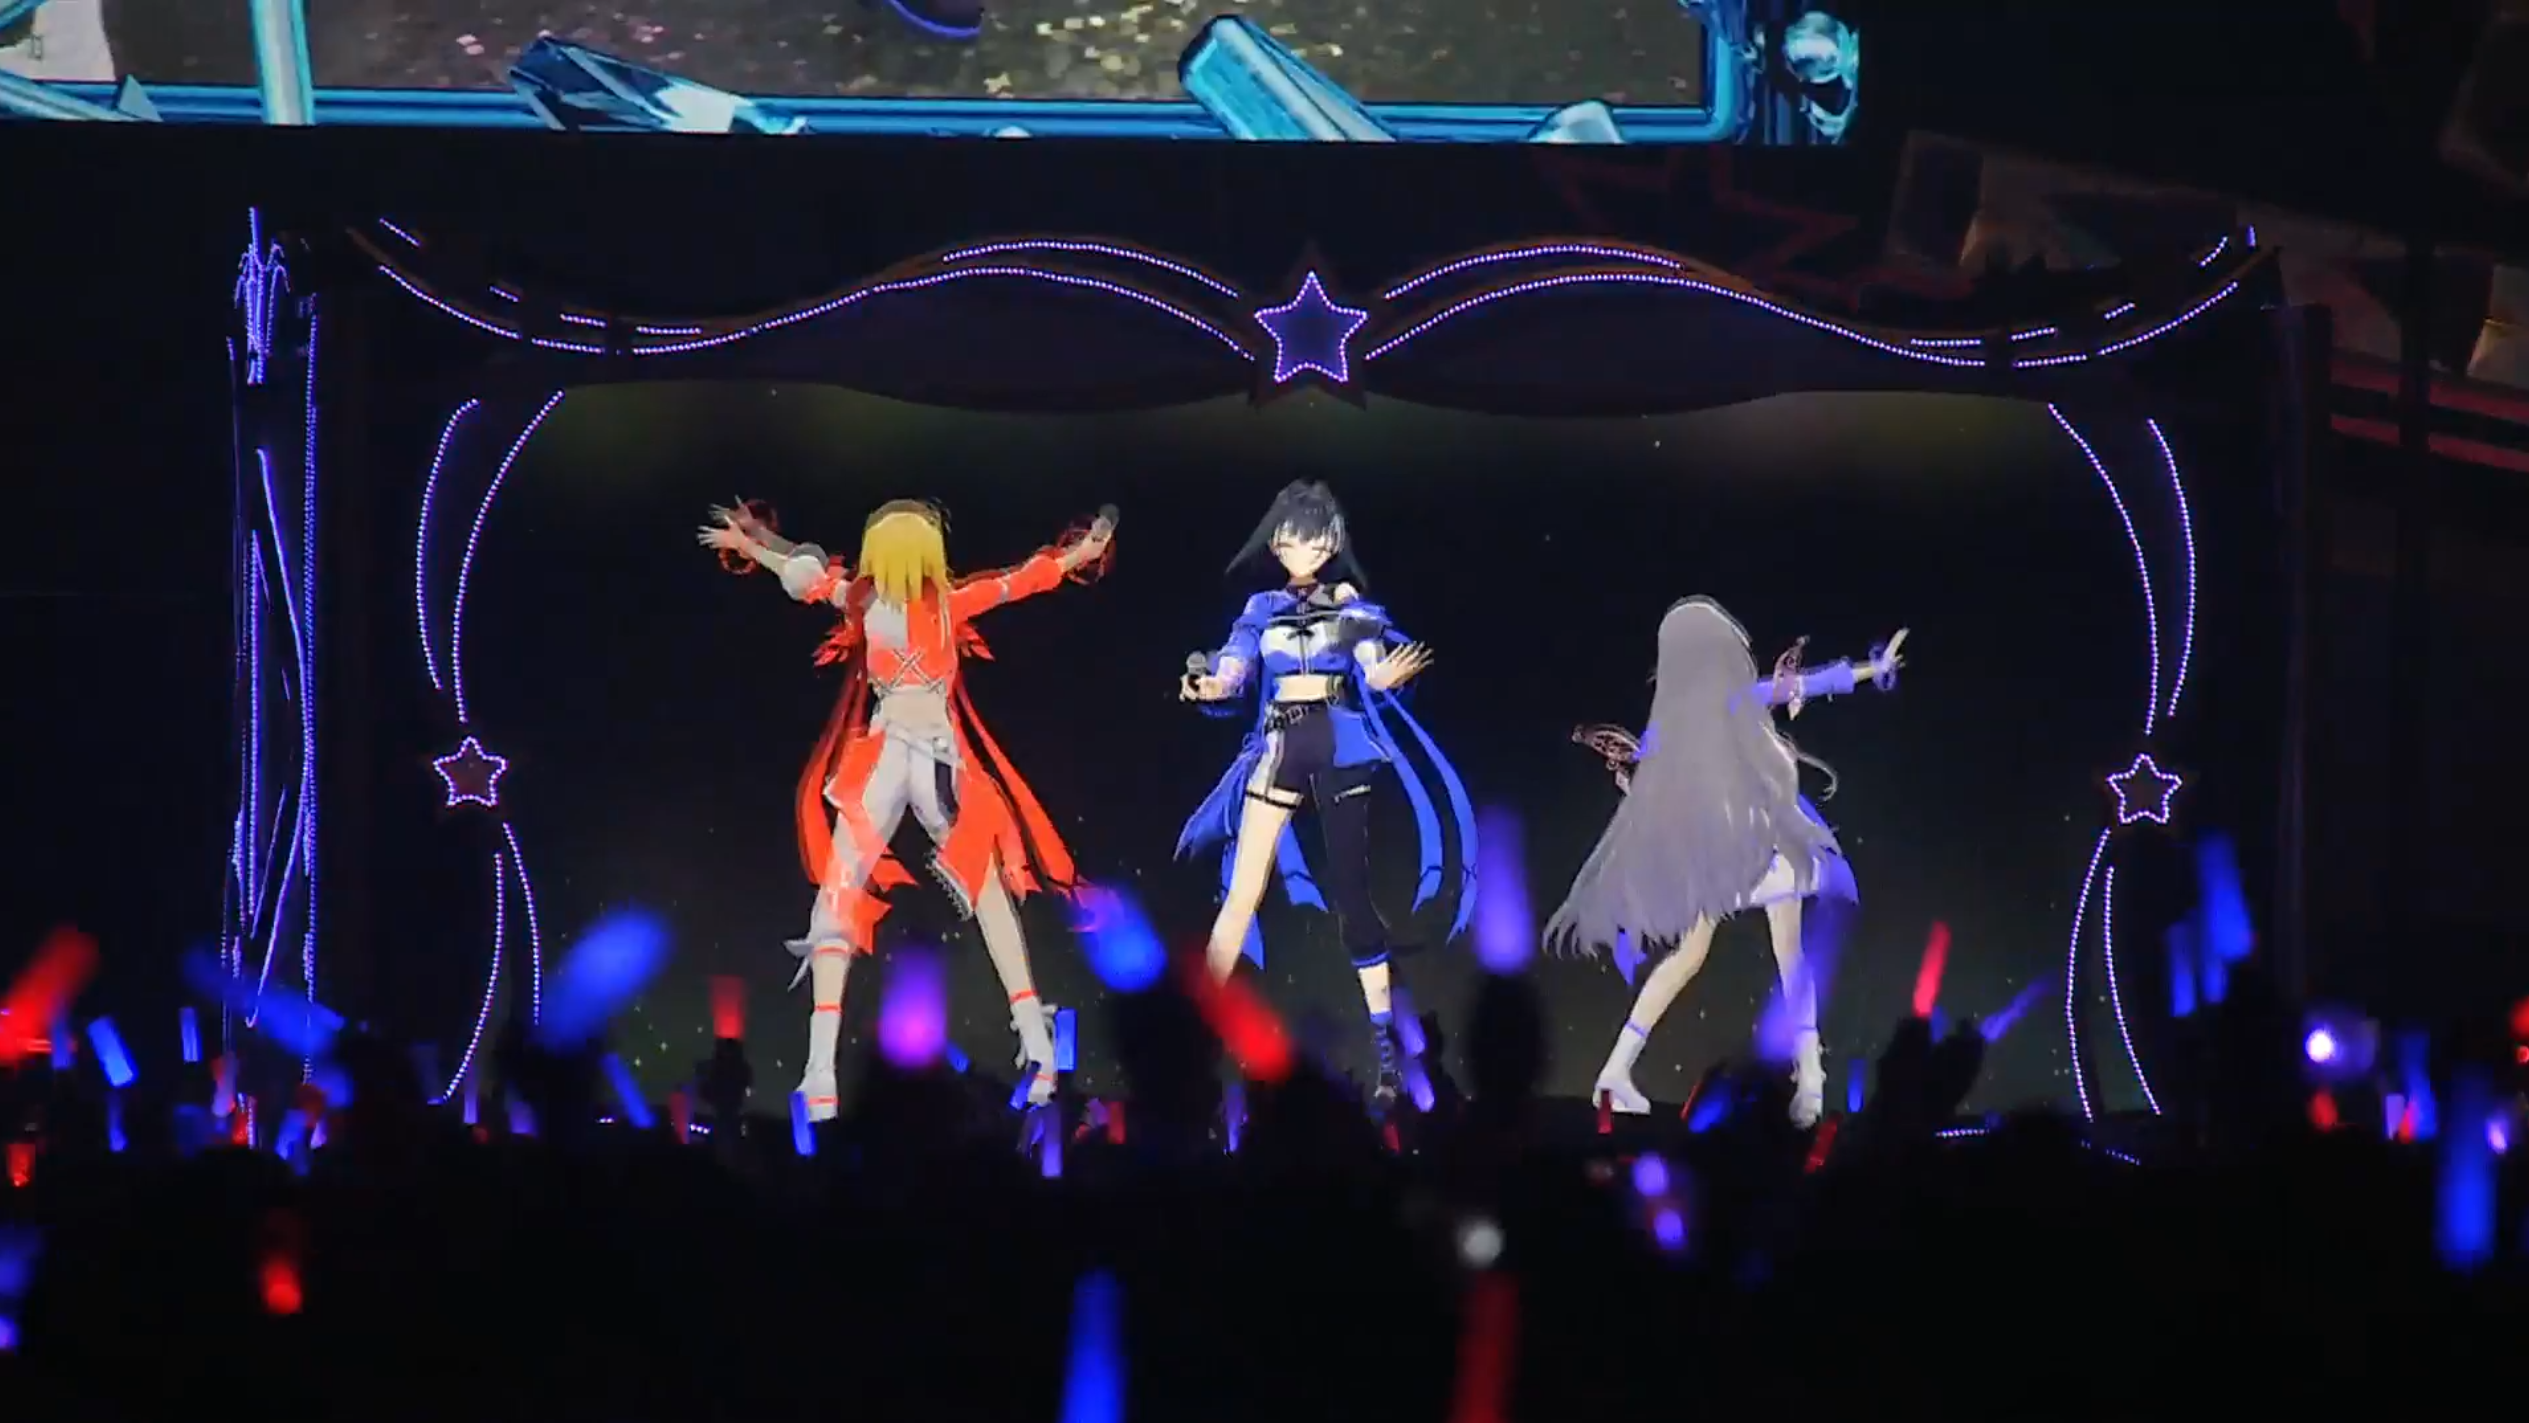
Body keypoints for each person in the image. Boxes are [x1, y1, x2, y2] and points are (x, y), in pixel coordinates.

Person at [700, 497, 1115, 1119]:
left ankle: (827, 1070)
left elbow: (805, 573)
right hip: (916, 757)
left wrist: (755, 544)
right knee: (946, 893)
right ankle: (1029, 1044)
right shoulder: (930, 604)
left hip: (902, 758)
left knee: (847, 895)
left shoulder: (873, 602)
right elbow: (1026, 579)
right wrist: (1081, 554)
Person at [1549, 597, 1903, 1126]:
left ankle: (1621, 1071)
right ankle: (1807, 1079)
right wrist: (1874, 669)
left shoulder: (1684, 721)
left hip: (1740, 845)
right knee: (1770, 954)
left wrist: (1873, 668)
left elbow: (1807, 685)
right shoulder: (1714, 710)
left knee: (1719, 955)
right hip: (1743, 847)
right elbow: (1804, 686)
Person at [1176, 481, 1476, 1104]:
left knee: (1351, 895)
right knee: (1243, 892)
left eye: (1316, 541)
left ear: (1332, 544)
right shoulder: (1261, 607)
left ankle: (1386, 1049)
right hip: (1281, 743)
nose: (1305, 550)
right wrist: (1208, 686)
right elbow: (1234, 669)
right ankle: (1189, 1036)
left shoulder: (1347, 603)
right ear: (1277, 543)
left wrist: (1386, 674)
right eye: (1294, 540)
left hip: (1338, 741)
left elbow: (1371, 663)